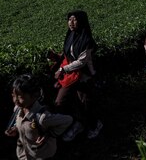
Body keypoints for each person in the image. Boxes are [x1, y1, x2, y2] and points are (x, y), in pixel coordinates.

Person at [54, 10, 103, 141]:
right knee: (64, 101)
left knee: (85, 102)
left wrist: (63, 69)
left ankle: (95, 125)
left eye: (75, 20)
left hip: (83, 77)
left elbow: (81, 62)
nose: (71, 23)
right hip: (71, 75)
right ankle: (78, 123)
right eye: (69, 19)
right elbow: (68, 54)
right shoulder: (70, 35)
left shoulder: (87, 40)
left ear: (81, 21)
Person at [5, 74, 73, 160]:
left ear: (34, 96)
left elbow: (68, 120)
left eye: (20, 96)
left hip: (41, 155)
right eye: (13, 96)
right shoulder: (18, 109)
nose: (16, 100)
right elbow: (21, 122)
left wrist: (50, 134)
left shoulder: (42, 117)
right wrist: (15, 128)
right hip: (24, 154)